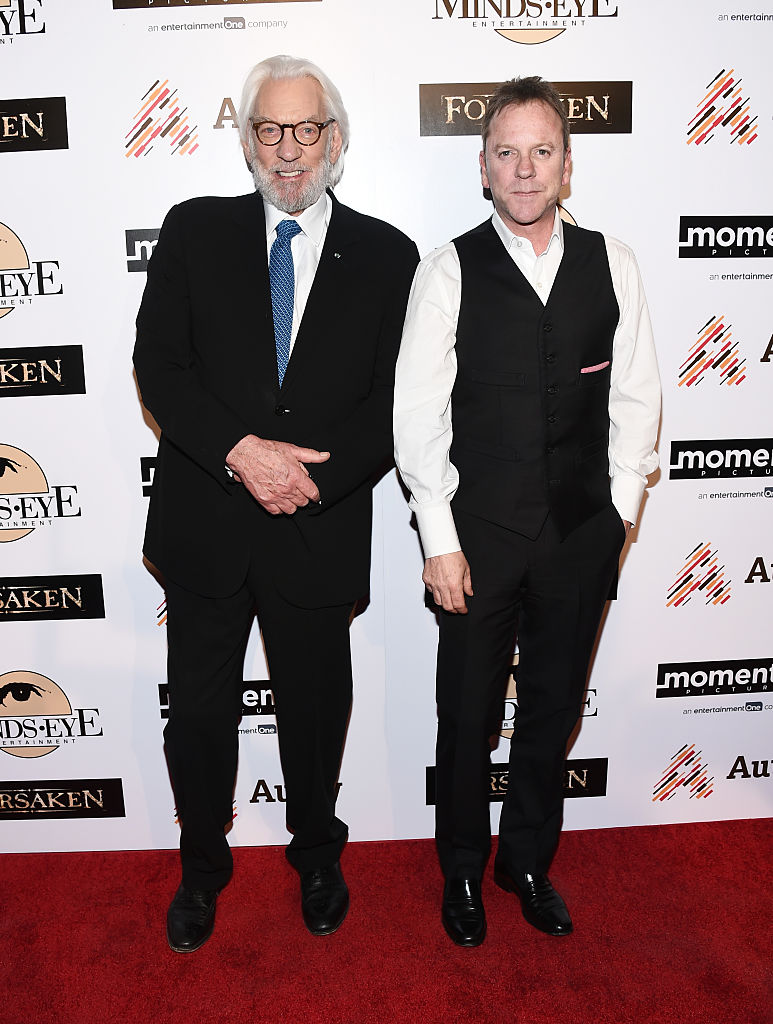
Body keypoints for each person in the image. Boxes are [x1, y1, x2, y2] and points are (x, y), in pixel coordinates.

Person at [134, 54, 418, 954]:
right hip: (206, 526)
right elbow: (161, 368)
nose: (288, 151)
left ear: (334, 140)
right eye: (269, 130)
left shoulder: (388, 254)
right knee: (203, 715)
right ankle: (200, 866)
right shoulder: (192, 231)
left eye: (305, 131)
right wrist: (240, 454)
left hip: (317, 530)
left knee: (314, 707)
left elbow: (396, 404)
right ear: (247, 138)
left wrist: (314, 481)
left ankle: (317, 855)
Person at [393, 76, 660, 947]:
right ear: (481, 167)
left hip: (580, 536)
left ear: (567, 166)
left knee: (552, 708)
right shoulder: (448, 268)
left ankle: (528, 861)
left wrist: (615, 520)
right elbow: (417, 418)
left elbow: (637, 399)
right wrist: (438, 537)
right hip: (477, 541)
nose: (523, 168)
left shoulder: (612, 263)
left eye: (540, 151)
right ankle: (464, 872)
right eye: (505, 152)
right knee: (468, 714)